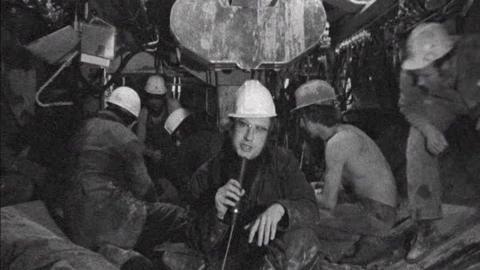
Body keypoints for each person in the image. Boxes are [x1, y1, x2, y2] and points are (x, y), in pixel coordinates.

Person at [176, 80, 320, 270]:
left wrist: (282, 209)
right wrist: (217, 213)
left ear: (269, 132)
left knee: (304, 239)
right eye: (244, 125)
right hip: (224, 262)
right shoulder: (206, 174)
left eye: (259, 129)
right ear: (231, 125)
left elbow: (311, 209)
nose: (249, 137)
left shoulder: (282, 163)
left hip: (267, 261)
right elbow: (191, 237)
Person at [64, 86, 187, 269]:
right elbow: (143, 187)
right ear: (130, 118)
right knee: (176, 215)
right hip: (105, 217)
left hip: (73, 216)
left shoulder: (84, 126)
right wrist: (155, 200)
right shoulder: (125, 136)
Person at [291, 80, 398, 263]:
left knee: (302, 218)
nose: (301, 125)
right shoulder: (346, 132)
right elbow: (343, 188)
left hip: (378, 216)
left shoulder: (336, 144)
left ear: (310, 116)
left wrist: (302, 192)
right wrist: (319, 187)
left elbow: (328, 203)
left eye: (301, 118)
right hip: (379, 210)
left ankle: (361, 244)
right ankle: (356, 243)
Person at [399, 22, 480, 262]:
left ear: (445, 62)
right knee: (417, 143)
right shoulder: (411, 74)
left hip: (474, 93)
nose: (419, 81)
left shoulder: (473, 53)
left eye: (426, 74)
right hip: (442, 101)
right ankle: (427, 227)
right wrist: (428, 129)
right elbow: (409, 106)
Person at [136, 74, 180, 202]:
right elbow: (139, 142)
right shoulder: (144, 113)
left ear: (164, 97)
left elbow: (183, 136)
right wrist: (151, 153)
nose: (154, 102)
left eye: (158, 98)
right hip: (152, 159)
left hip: (172, 157)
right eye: (151, 98)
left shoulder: (172, 106)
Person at [164, 107, 223, 201]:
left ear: (179, 133)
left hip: (204, 196)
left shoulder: (186, 146)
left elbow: (183, 180)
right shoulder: (215, 134)